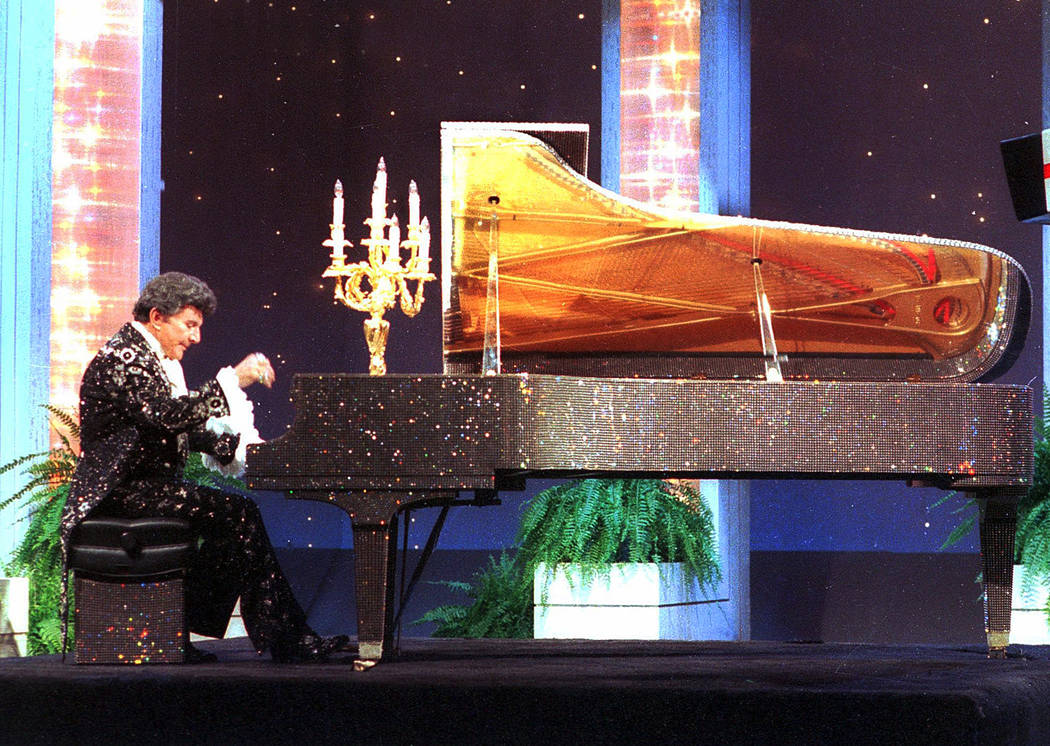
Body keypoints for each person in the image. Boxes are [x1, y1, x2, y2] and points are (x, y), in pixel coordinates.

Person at [60, 272, 347, 663]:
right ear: (157, 317)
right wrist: (232, 382)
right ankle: (280, 637)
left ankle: (191, 625)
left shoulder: (148, 356)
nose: (196, 337)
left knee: (237, 513)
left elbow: (176, 429)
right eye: (189, 325)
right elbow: (166, 416)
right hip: (118, 491)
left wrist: (250, 451)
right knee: (239, 513)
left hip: (146, 489)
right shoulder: (123, 357)